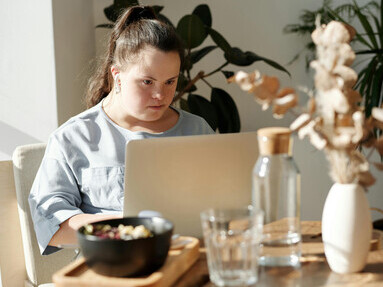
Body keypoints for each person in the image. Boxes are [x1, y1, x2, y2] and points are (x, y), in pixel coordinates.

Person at [29, 6, 214, 255]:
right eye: (147, 82)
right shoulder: (74, 138)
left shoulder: (198, 130)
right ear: (117, 75)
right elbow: (53, 226)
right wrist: (133, 228)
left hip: (188, 265)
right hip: (111, 270)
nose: (160, 95)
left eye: (170, 81)